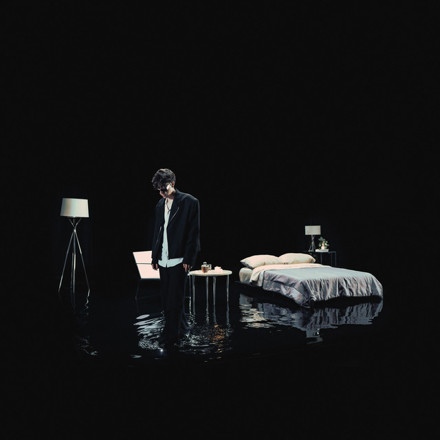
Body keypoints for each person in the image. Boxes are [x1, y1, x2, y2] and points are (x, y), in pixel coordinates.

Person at [151, 168, 200, 348]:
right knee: (167, 299)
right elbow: (158, 232)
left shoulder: (190, 202)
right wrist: (154, 256)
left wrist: (188, 258)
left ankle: (169, 337)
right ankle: (183, 331)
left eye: (164, 189)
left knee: (175, 301)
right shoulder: (159, 205)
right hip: (163, 259)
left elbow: (193, 233)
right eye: (159, 190)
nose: (162, 193)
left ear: (172, 184)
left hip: (179, 259)